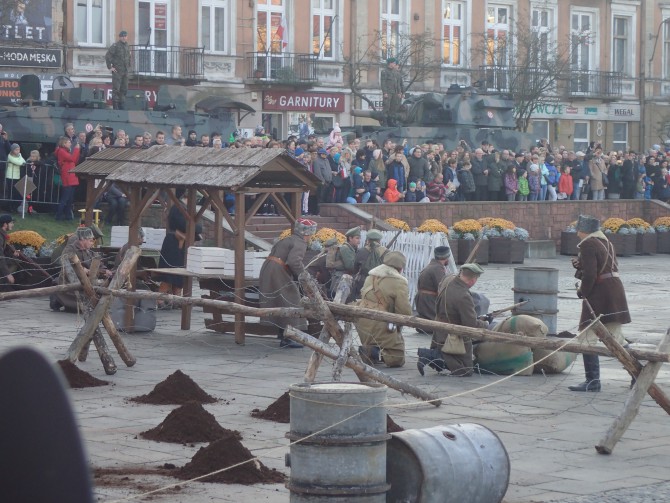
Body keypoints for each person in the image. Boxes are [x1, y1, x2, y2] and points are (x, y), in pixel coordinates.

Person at [569, 215, 631, 392]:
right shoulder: (606, 242)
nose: (577, 234)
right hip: (614, 291)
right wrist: (580, 266)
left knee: (587, 336)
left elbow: (590, 275)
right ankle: (637, 373)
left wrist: (583, 292)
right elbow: (603, 267)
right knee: (616, 337)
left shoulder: (588, 244)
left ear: (584, 231)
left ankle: (592, 381)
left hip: (601, 294)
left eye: (578, 230)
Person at [417, 263, 489, 377]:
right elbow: (470, 324)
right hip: (453, 336)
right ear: (473, 280)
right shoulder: (464, 296)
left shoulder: (448, 279)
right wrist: (485, 323)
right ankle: (430, 355)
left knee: (456, 364)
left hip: (439, 330)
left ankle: (434, 356)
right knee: (465, 370)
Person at [259, 218, 317, 348]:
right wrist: (305, 277)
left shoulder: (288, 239)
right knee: (292, 300)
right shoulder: (300, 242)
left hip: (269, 269)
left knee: (281, 301)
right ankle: (289, 337)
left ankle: (282, 332)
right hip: (278, 271)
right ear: (307, 234)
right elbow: (294, 262)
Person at [355, 251, 412, 367]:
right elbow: (404, 311)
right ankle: (372, 351)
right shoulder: (399, 282)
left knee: (374, 339)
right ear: (400, 268)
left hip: (362, 320)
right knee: (397, 359)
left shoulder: (371, 276)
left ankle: (370, 349)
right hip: (381, 322)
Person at [155, 191, 203, 306]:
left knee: (179, 274)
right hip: (173, 243)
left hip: (180, 244)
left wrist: (195, 227)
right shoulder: (178, 209)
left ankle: (176, 299)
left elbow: (196, 226)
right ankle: (160, 299)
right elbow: (185, 225)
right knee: (169, 273)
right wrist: (195, 227)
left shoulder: (185, 209)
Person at [49, 227, 112, 312]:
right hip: (74, 280)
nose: (92, 242)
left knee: (107, 282)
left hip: (89, 279)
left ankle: (97, 303)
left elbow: (99, 263)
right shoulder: (70, 249)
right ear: (82, 240)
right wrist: (83, 270)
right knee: (88, 289)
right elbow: (70, 266)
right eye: (90, 240)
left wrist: (105, 271)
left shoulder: (90, 252)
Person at [414, 246, 451, 331]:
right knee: (441, 323)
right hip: (428, 300)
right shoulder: (437, 268)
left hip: (423, 299)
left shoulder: (432, 266)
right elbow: (442, 288)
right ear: (446, 257)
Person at [327, 226, 360, 299]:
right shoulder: (345, 248)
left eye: (359, 238)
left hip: (344, 278)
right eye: (357, 238)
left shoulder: (352, 249)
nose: (359, 241)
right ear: (350, 238)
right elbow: (350, 266)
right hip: (340, 279)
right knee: (337, 300)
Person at [352, 229, 386, 298]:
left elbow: (354, 268)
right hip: (380, 284)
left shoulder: (361, 251)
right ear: (379, 240)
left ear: (368, 240)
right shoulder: (386, 252)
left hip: (363, 283)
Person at [54, 136, 80, 221]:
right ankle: (58, 216)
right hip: (68, 177)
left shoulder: (66, 151)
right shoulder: (61, 151)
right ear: (64, 143)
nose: (70, 144)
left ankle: (68, 216)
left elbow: (74, 160)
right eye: (69, 142)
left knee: (70, 199)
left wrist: (76, 151)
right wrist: (76, 149)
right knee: (65, 199)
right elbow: (72, 158)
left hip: (71, 176)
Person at [105, 30, 131, 110]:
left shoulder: (127, 46)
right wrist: (110, 67)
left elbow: (128, 57)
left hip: (125, 71)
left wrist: (129, 66)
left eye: (125, 36)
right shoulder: (115, 46)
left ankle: (122, 105)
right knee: (116, 89)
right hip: (117, 71)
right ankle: (115, 107)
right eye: (122, 36)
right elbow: (108, 56)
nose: (124, 38)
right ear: (120, 37)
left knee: (124, 89)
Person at [380, 57, 403, 124]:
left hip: (394, 93)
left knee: (393, 108)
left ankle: (391, 121)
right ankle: (384, 122)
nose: (395, 64)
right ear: (390, 63)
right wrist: (385, 92)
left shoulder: (395, 72)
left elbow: (397, 84)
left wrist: (399, 92)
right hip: (388, 93)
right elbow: (383, 83)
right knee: (386, 108)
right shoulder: (384, 72)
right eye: (394, 63)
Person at [0, 214, 17, 286]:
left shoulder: (2, 235)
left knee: (14, 261)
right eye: (11, 223)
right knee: (13, 263)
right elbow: (0, 257)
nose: (12, 224)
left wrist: (13, 253)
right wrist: (8, 274)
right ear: (5, 224)